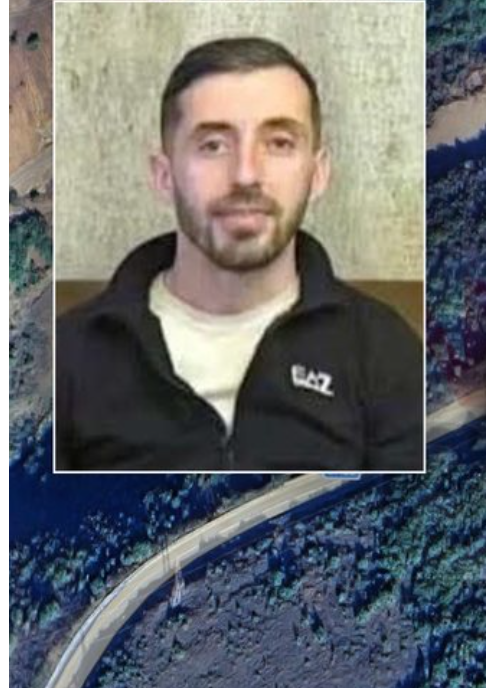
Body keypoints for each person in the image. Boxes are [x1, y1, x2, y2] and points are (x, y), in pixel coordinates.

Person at [56, 37, 423, 472]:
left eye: (279, 142)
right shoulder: (66, 357)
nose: (246, 174)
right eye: (213, 145)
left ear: (317, 173)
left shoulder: (385, 350)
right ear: (164, 175)